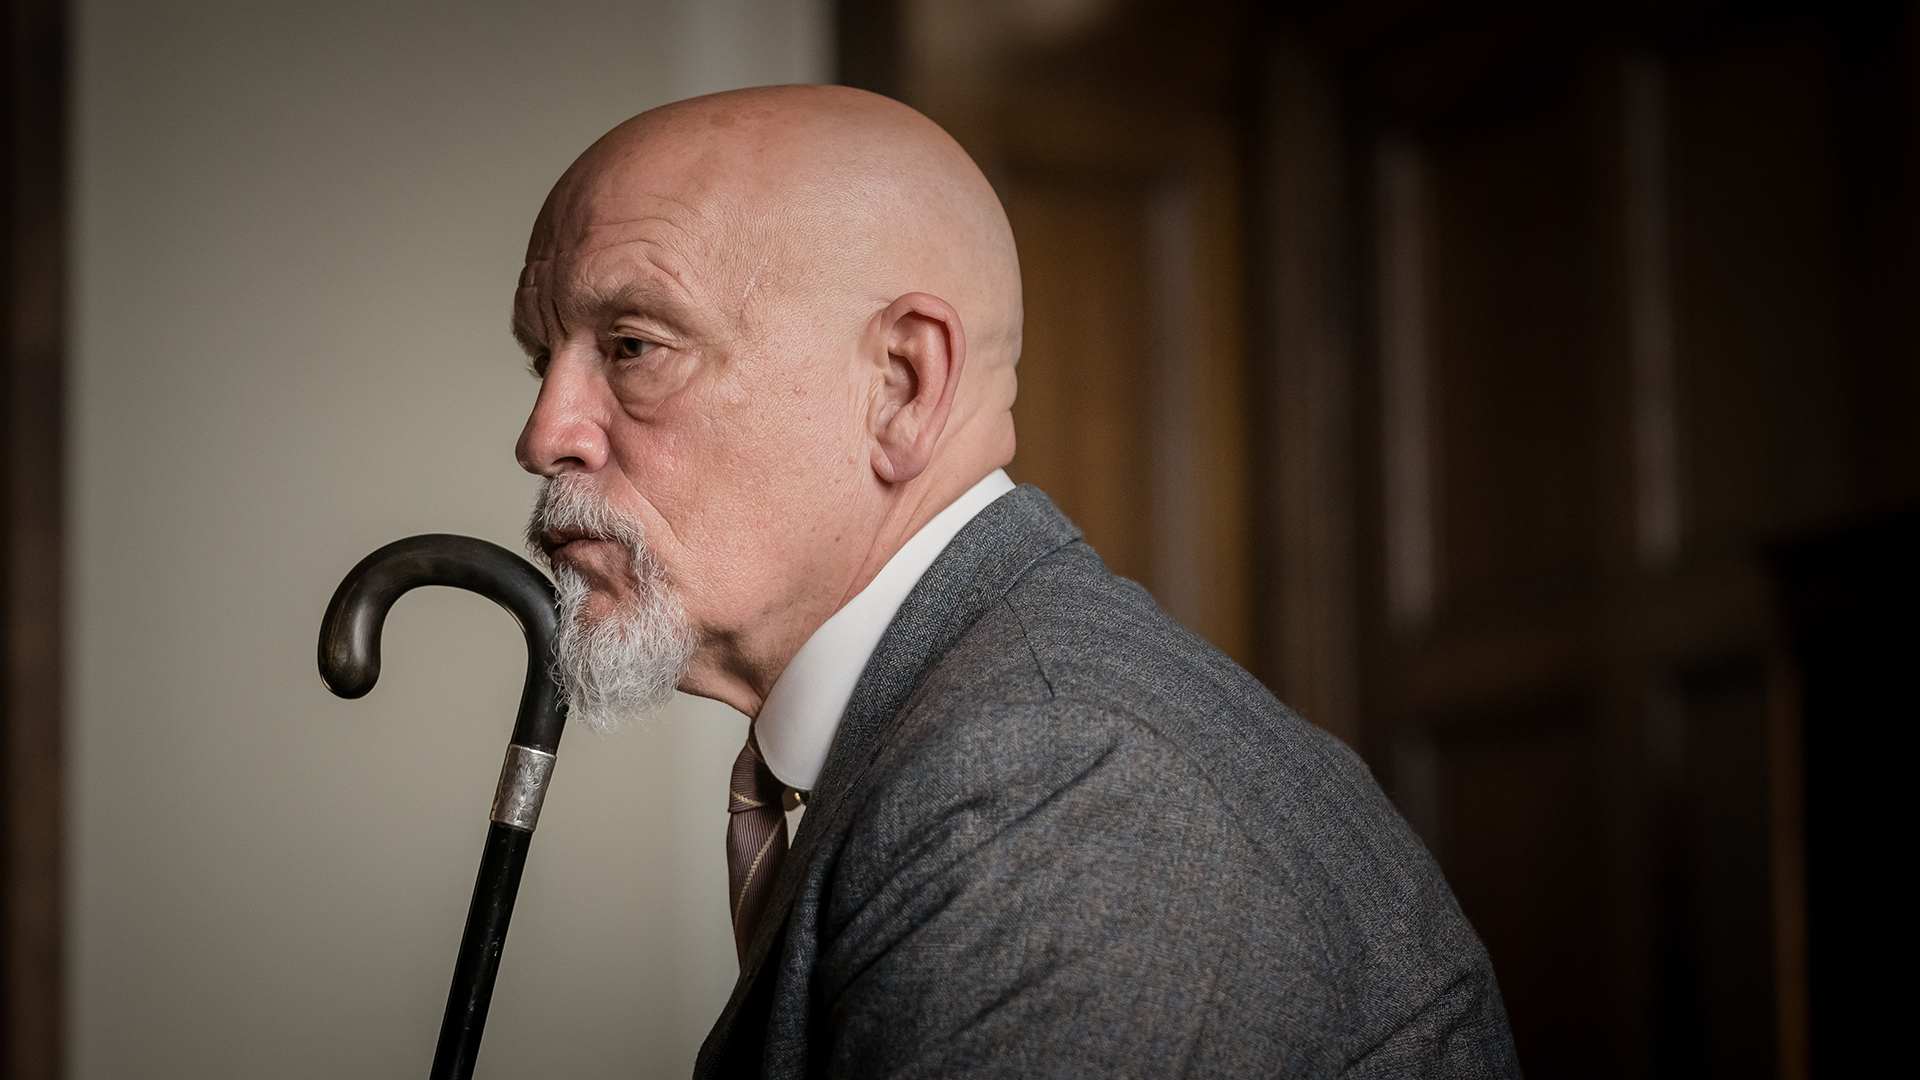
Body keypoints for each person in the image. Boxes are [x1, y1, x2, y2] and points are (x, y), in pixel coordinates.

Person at [514, 84, 1519, 1078]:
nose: (544, 435)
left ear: (902, 386)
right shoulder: (989, 734)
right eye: (542, 361)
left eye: (634, 347)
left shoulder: (1056, 779)